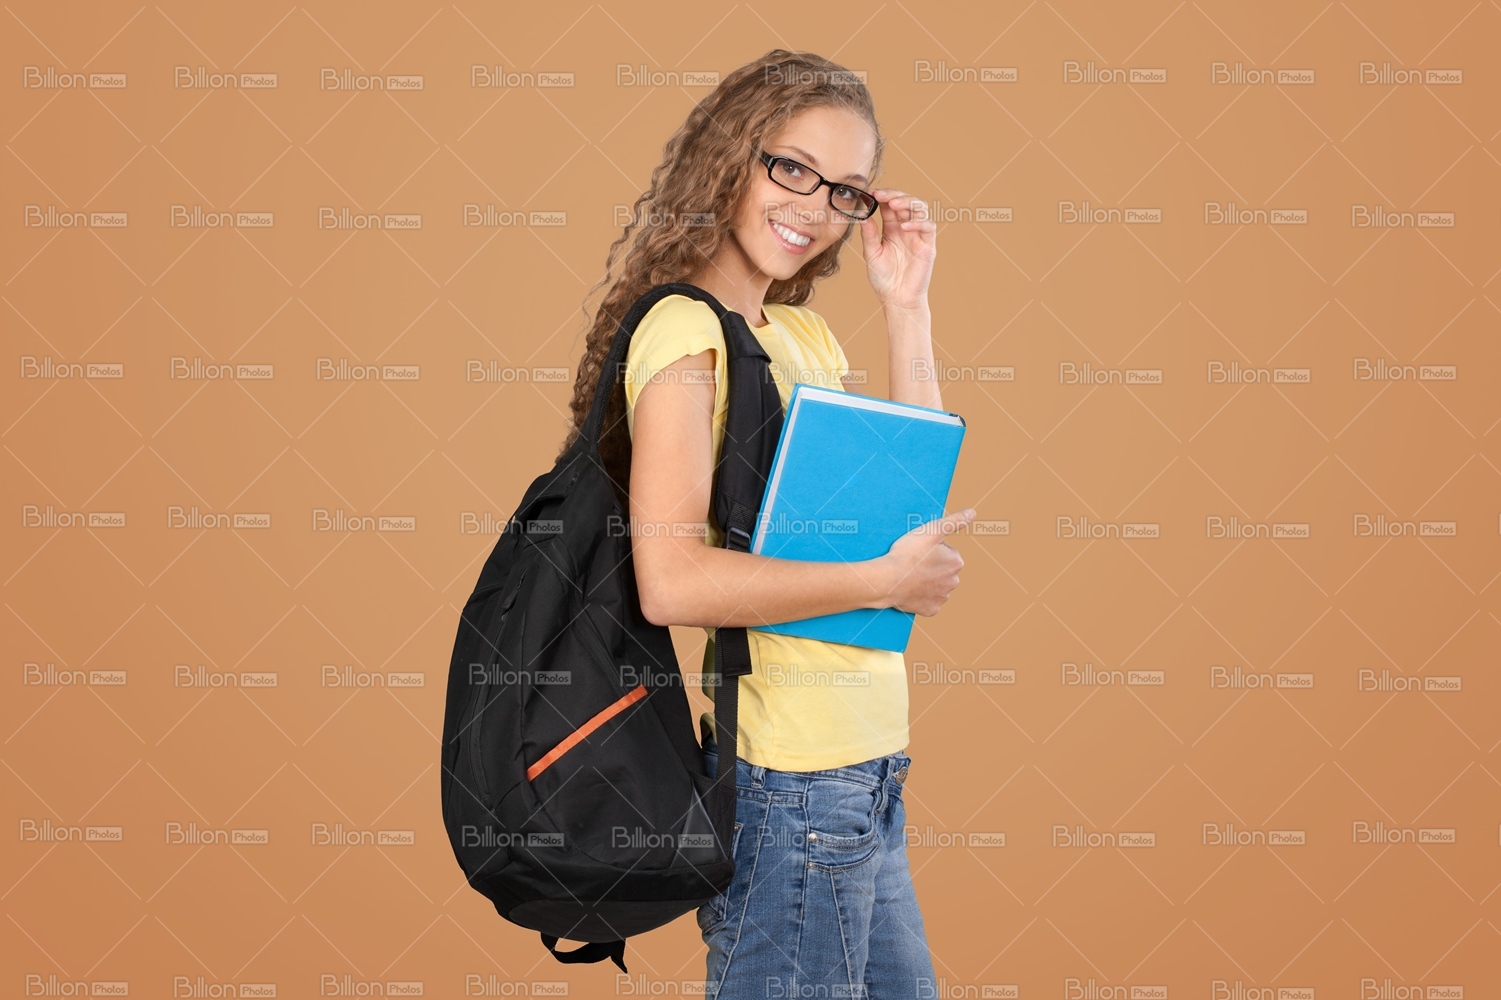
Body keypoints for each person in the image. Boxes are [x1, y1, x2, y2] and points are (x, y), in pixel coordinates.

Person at [556, 48, 975, 1000]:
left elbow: (906, 499)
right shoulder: (686, 335)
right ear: (728, 159)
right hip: (790, 784)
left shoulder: (798, 335)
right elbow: (672, 583)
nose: (815, 207)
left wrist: (905, 306)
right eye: (791, 168)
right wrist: (881, 583)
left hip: (865, 769)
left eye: (845, 190)